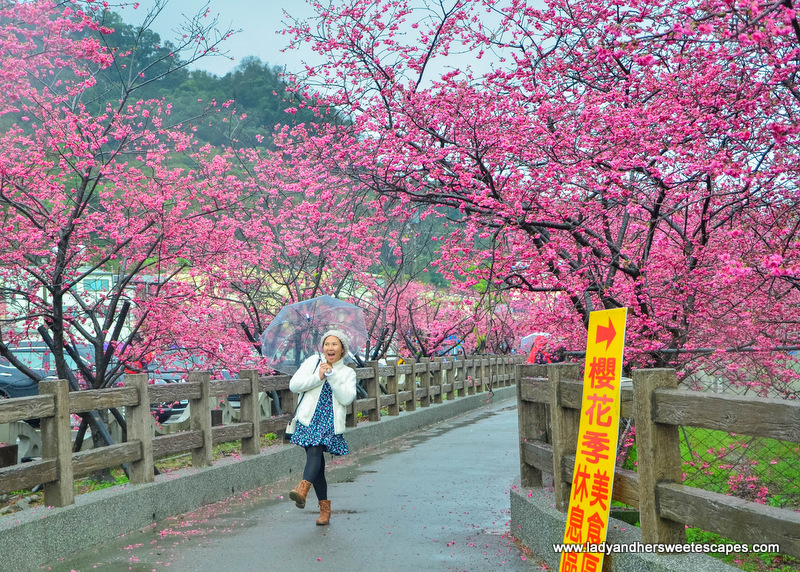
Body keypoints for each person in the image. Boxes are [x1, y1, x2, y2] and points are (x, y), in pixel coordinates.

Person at [288, 329, 357, 525]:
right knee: (317, 465)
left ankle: (303, 489)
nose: (330, 347)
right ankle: (324, 511)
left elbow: (346, 398)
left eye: (335, 344)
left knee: (316, 451)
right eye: (327, 344)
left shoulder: (347, 372)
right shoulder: (312, 362)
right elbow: (294, 385)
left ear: (342, 349)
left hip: (329, 421)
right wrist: (318, 376)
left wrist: (332, 375)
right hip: (309, 419)